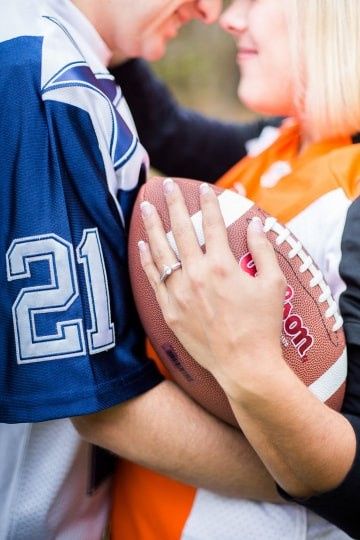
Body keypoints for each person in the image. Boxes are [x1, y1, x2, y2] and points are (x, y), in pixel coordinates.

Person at [0, 1, 293, 538]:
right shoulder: (42, 74)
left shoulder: (65, 57)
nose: (209, 10)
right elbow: (99, 401)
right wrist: (316, 475)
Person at [111, 0, 360, 538]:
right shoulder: (283, 139)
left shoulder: (351, 204)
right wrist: (108, 24)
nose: (230, 18)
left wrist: (244, 363)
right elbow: (169, 130)